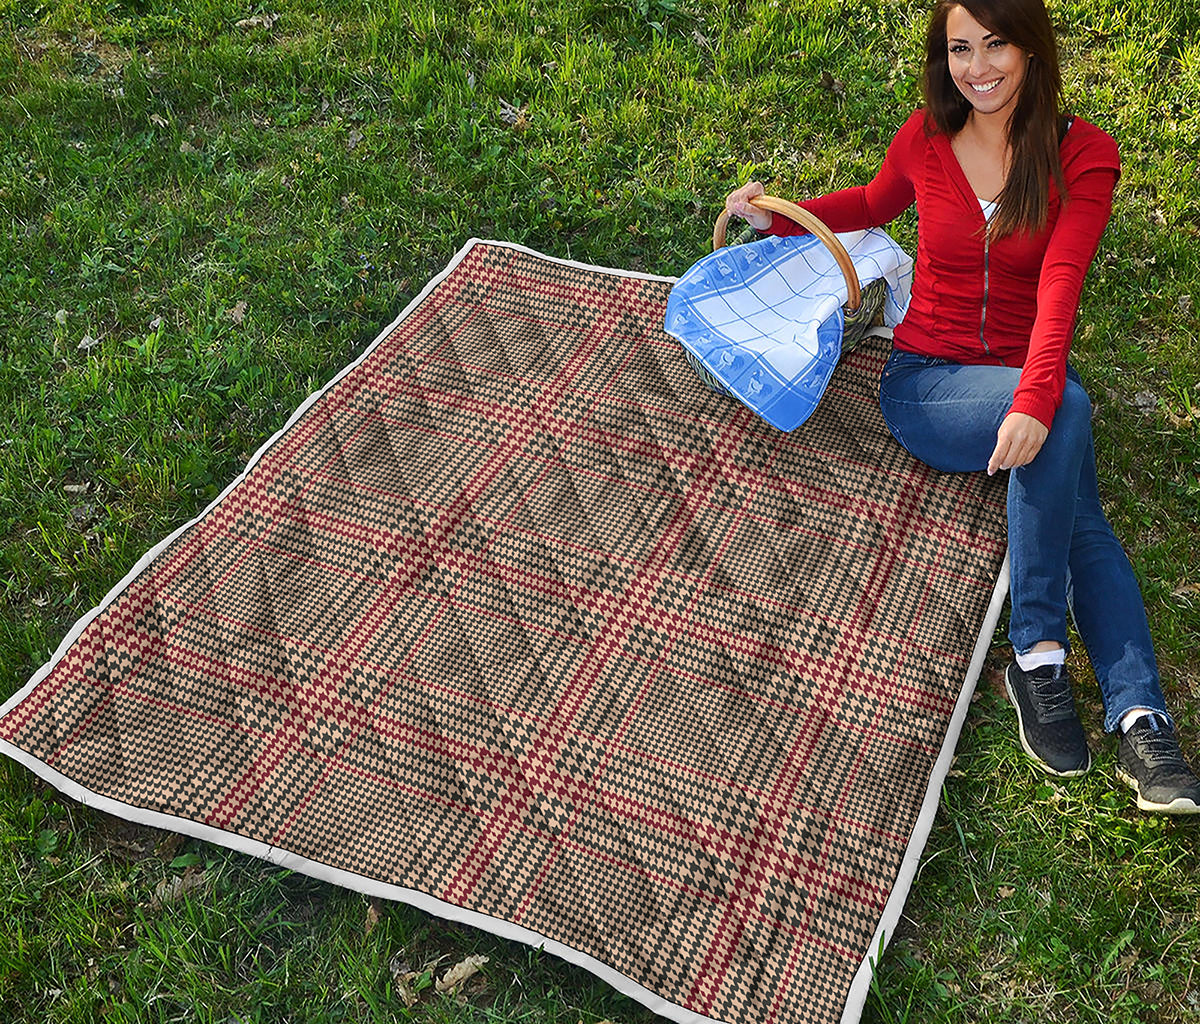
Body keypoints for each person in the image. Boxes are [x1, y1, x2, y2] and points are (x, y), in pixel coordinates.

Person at [724, 0, 1199, 814]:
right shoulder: (925, 137)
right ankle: (1047, 656)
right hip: (926, 384)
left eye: (996, 44)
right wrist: (779, 220)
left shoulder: (1083, 155)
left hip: (1020, 374)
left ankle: (1133, 713)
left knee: (1074, 477)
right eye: (959, 48)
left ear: (1032, 48)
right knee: (1069, 421)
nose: (977, 67)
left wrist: (1037, 397)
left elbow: (1061, 284)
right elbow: (871, 205)